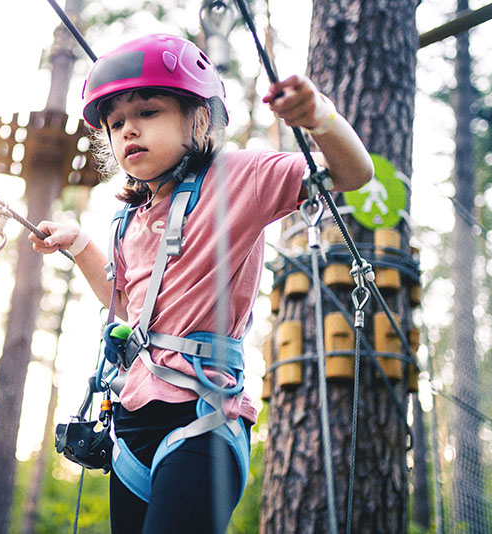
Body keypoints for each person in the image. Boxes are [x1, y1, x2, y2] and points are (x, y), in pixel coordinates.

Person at [30, 34, 373, 534]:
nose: (128, 131)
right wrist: (81, 244)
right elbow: (127, 311)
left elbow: (354, 173)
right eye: (117, 123)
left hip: (203, 421)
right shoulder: (129, 219)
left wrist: (319, 117)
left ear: (198, 117)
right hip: (132, 428)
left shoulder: (239, 178)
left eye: (147, 111)